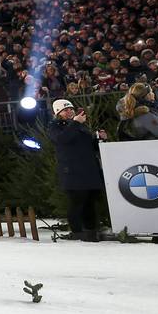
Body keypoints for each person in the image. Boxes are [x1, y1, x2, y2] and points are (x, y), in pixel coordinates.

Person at [50, 99, 107, 242]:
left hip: (89, 170)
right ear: (58, 113)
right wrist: (75, 123)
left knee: (90, 203)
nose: (69, 111)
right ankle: (77, 232)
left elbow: (89, 146)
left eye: (71, 109)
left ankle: (91, 231)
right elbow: (63, 139)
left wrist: (100, 139)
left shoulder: (81, 126)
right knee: (77, 202)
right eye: (65, 110)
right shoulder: (55, 127)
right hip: (73, 171)